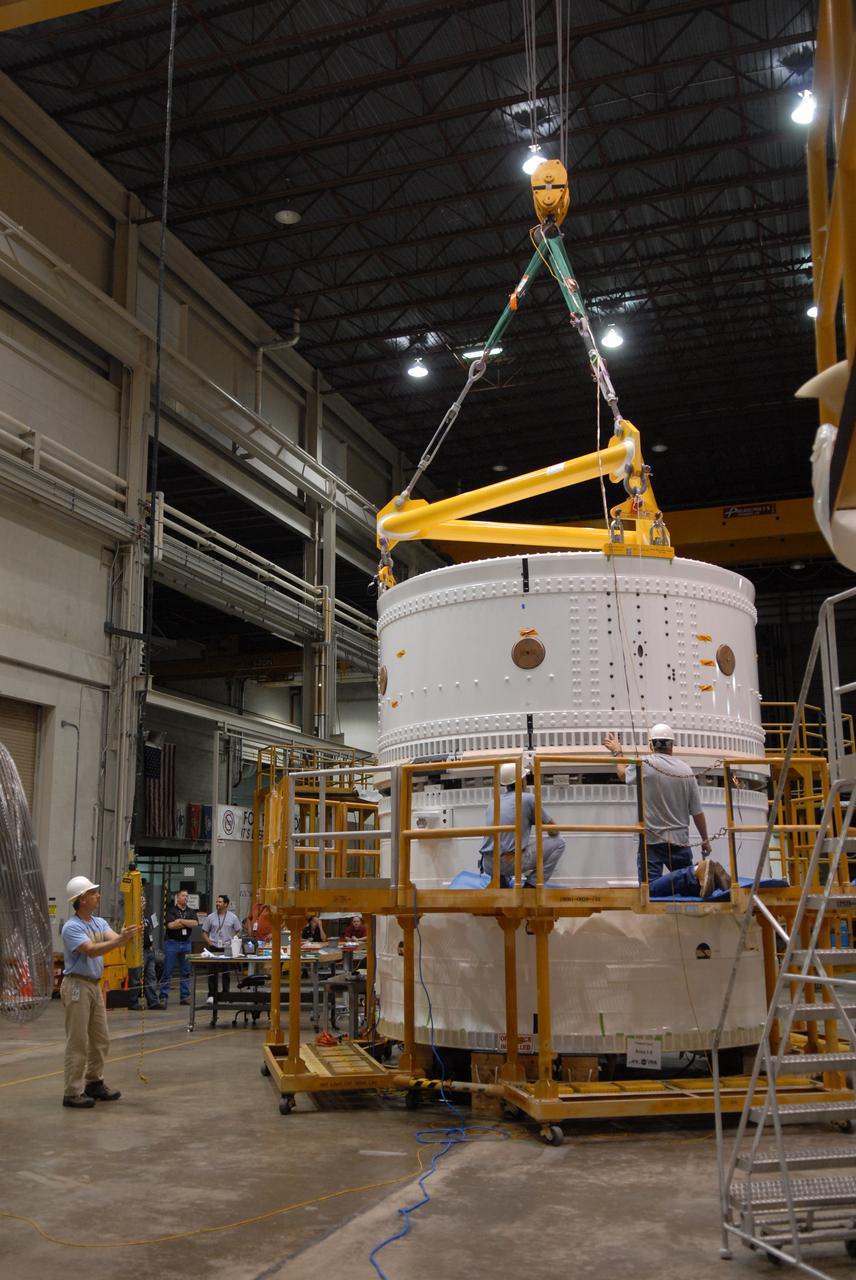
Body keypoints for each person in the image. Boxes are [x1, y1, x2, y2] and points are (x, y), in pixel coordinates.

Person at [603, 723, 730, 898]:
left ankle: (693, 872)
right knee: (692, 889)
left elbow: (623, 774)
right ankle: (701, 874)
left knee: (649, 890)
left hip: (652, 841)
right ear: (672, 745)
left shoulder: (645, 764)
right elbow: (697, 812)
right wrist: (705, 840)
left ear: (651, 745)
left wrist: (617, 752)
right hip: (680, 841)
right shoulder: (686, 770)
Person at [60, 875, 140, 1109]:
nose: (98, 895)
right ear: (82, 899)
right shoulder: (72, 927)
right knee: (78, 1041)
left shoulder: (99, 923)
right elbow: (91, 950)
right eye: (93, 892)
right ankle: (72, 1092)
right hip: (77, 986)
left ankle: (94, 1082)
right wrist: (121, 940)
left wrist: (129, 929)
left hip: (94, 986)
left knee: (100, 1038)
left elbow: (116, 940)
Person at [478, 762, 566, 887]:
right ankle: (532, 885)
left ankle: (500, 880)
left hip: (487, 864)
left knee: (510, 844)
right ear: (521, 780)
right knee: (559, 842)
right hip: (509, 863)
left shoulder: (494, 801)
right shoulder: (528, 798)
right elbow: (554, 830)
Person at [159, 888, 198, 1006]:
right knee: (167, 971)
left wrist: (180, 921)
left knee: (186, 971)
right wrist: (186, 923)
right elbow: (170, 925)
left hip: (186, 944)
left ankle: (185, 997)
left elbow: (195, 923)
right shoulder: (171, 911)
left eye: (187, 896)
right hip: (172, 943)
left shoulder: (191, 911)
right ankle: (163, 997)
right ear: (177, 897)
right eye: (183, 896)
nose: (185, 898)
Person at [201, 894, 242, 1001]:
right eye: (217, 902)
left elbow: (238, 931)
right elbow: (204, 932)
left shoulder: (233, 917)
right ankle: (212, 995)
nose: (217, 904)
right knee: (212, 972)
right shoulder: (210, 917)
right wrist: (209, 942)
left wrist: (234, 940)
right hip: (214, 947)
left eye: (220, 902)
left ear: (226, 904)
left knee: (226, 972)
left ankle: (225, 994)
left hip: (227, 948)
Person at [128, 892, 163, 1011]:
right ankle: (133, 1002)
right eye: (141, 901)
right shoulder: (132, 917)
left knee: (151, 977)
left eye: (144, 901)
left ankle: (153, 1002)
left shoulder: (146, 917)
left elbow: (149, 932)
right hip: (138, 951)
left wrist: (151, 945)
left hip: (148, 950)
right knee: (135, 978)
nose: (143, 903)